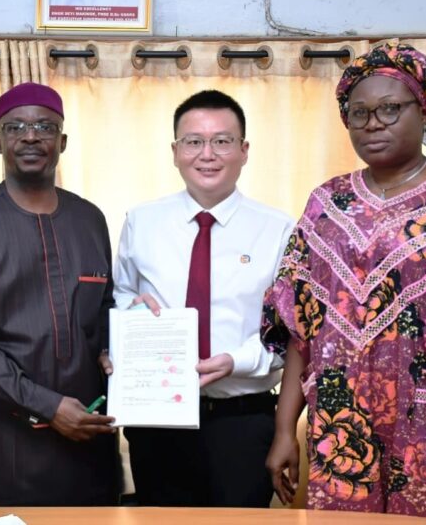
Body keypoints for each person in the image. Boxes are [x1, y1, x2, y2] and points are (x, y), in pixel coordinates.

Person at [263, 41, 426, 522]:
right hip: (340, 436)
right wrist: (282, 431)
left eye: (390, 108)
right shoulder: (326, 204)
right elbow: (299, 326)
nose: (373, 122)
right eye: (359, 113)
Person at [0, 82, 119, 506]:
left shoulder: (90, 220)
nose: (31, 136)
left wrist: (126, 340)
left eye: (45, 127)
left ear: (62, 141)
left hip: (88, 443)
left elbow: (104, 310)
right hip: (1, 446)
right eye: (16, 126)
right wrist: (48, 405)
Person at [112, 89, 294, 507]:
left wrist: (237, 361)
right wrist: (132, 318)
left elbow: (288, 330)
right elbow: (122, 294)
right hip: (157, 416)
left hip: (242, 418)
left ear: (244, 150)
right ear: (175, 152)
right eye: (193, 141)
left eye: (222, 141)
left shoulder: (279, 230)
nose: (207, 154)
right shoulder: (142, 221)